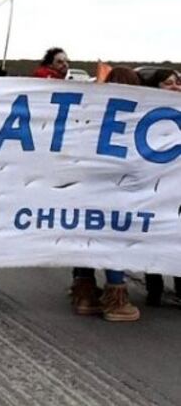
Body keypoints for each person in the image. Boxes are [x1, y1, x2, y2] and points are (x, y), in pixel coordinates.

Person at [65, 66, 142, 321]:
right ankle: (116, 299)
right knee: (113, 239)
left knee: (87, 237)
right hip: (118, 187)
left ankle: (84, 293)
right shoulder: (137, 116)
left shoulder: (92, 114)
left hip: (88, 187)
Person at [141, 68, 181, 308]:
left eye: (178, 82)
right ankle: (153, 287)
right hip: (155, 185)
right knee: (154, 235)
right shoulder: (145, 115)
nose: (175, 87)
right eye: (168, 83)